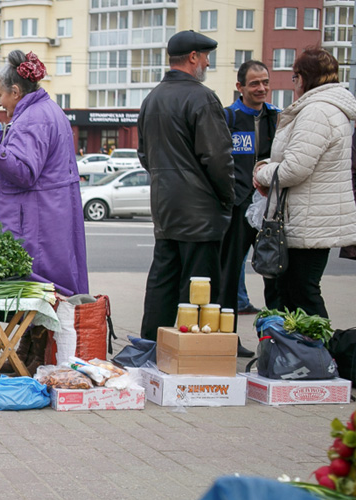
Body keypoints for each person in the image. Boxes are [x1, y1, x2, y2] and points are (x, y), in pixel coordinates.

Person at [0, 50, 89, 296]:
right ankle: (40, 334)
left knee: (37, 290)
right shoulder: (48, 110)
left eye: (0, 95)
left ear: (16, 92)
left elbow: (25, 172)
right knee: (55, 286)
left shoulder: (33, 118)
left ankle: (32, 333)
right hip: (46, 216)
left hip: (34, 224)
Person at [136, 30, 234, 340]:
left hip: (165, 208)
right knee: (200, 295)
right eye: (206, 57)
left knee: (162, 284)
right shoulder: (201, 97)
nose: (207, 62)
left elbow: (144, 154)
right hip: (200, 212)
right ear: (193, 58)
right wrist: (227, 198)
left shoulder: (152, 99)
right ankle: (193, 361)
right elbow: (217, 157)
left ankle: (150, 351)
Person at [252, 47, 356, 319]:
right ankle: (301, 356)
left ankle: (320, 356)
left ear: (305, 78)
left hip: (308, 221)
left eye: (294, 77)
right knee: (295, 292)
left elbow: (294, 169)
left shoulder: (317, 112)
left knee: (302, 293)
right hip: (309, 217)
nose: (293, 83)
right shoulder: (328, 109)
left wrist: (262, 171)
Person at [221, 60, 280, 355]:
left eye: (265, 82)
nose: (261, 88)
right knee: (230, 274)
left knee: (275, 272)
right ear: (240, 87)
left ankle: (277, 338)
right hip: (237, 206)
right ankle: (227, 338)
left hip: (271, 208)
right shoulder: (228, 117)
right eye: (254, 83)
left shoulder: (278, 117)